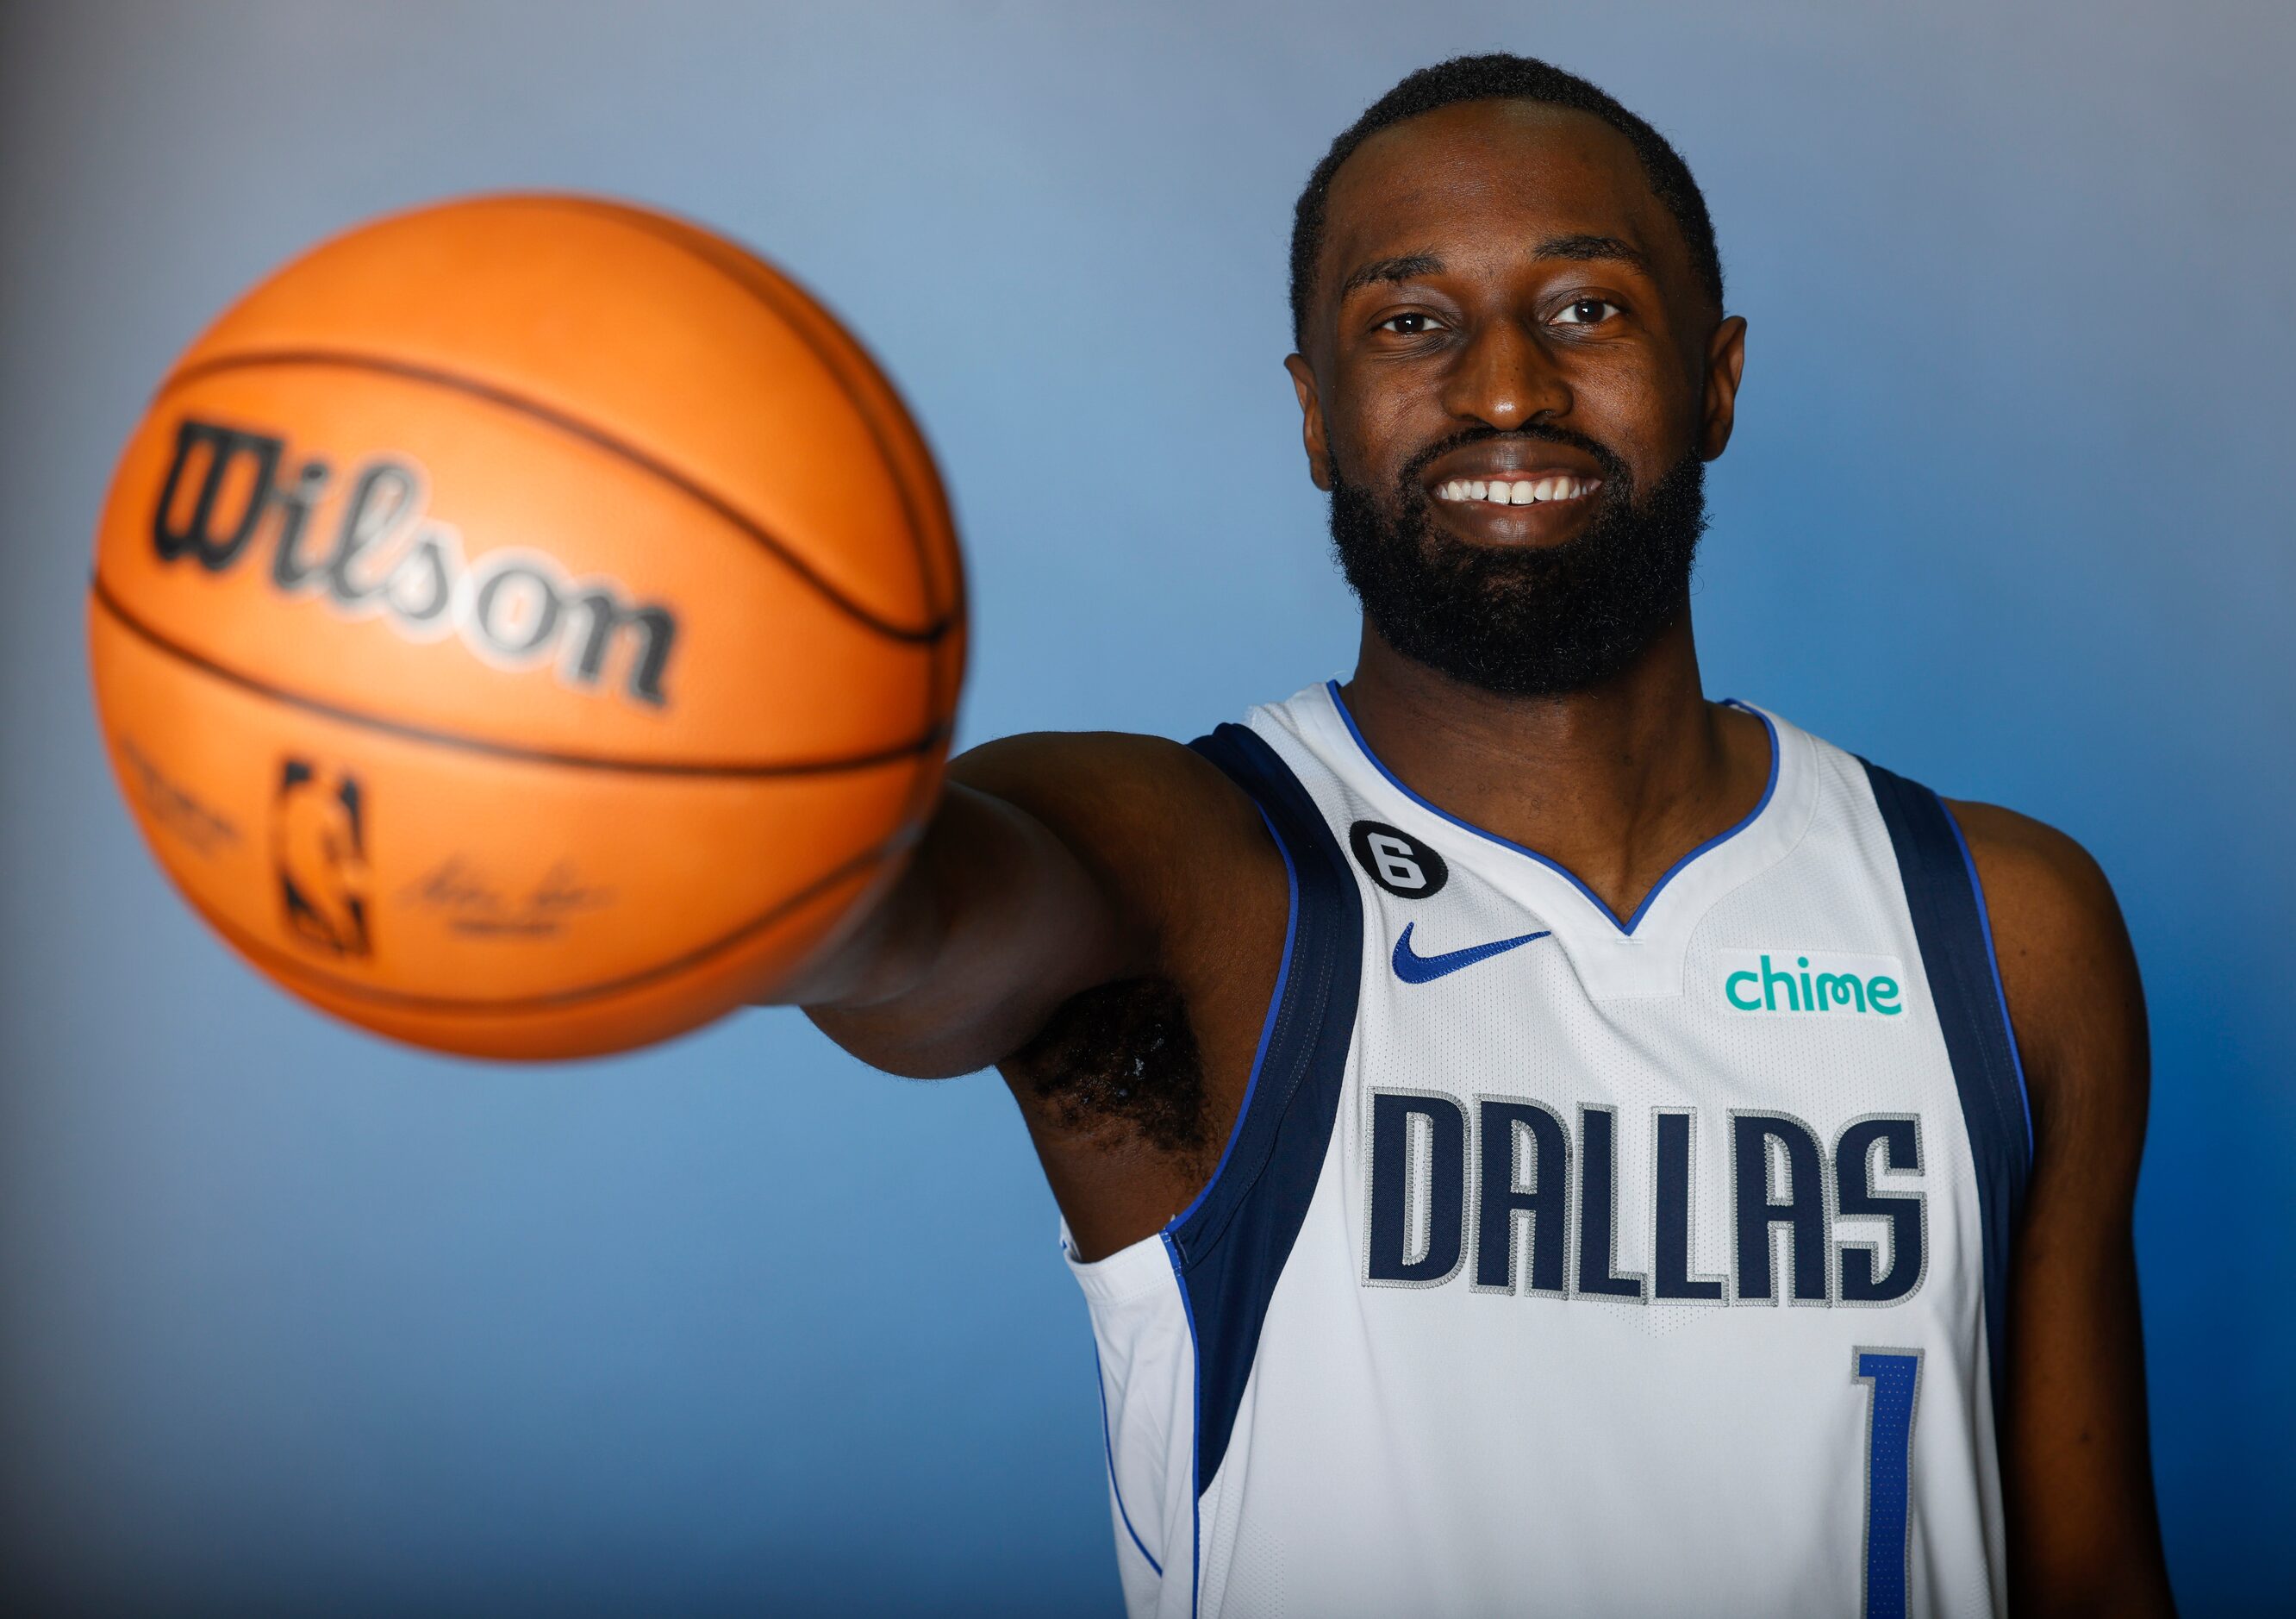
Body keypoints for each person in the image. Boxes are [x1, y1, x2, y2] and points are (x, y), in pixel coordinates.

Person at [777, 53, 2175, 1619]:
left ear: (1715, 381)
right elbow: (904, 922)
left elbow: (2094, 1574)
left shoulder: (2000, 926)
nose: (1505, 385)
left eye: (1587, 308)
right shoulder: (1208, 872)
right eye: (1409, 321)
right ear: (1315, 414)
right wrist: (724, 803)